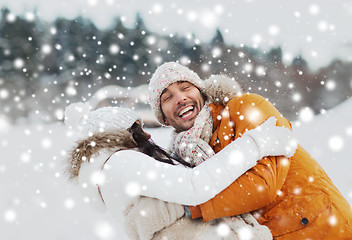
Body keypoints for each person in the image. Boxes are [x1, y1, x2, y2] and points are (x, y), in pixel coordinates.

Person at [146, 62, 352, 239]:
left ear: (200, 91)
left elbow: (263, 185)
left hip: (324, 228)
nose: (180, 98)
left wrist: (192, 208)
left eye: (185, 88)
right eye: (167, 98)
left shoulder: (245, 107)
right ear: (164, 118)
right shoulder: (182, 158)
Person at [64, 103, 294, 239]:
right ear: (120, 135)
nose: (149, 136)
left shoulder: (105, 176)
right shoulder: (120, 163)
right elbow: (194, 186)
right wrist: (255, 143)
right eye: (138, 130)